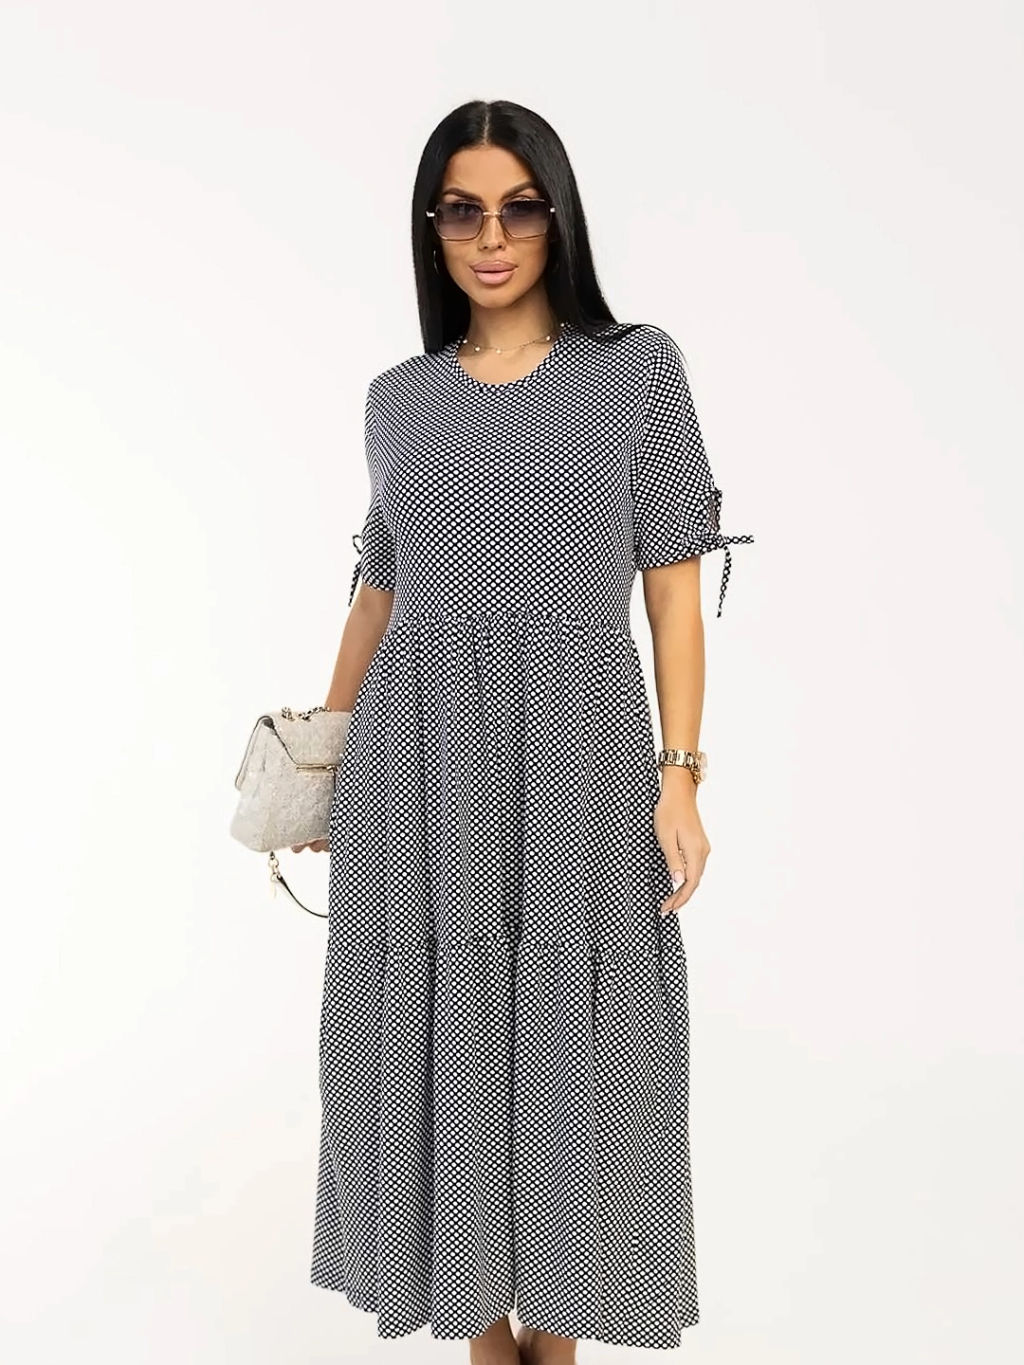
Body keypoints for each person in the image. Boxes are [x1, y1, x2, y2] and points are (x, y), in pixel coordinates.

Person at [299, 99, 754, 1364]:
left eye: (517, 209)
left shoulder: (635, 369)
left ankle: (556, 1328)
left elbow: (672, 586)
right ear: (430, 227)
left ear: (556, 218)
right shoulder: (398, 398)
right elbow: (379, 593)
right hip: (415, 759)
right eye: (462, 211)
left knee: (574, 1038)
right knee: (438, 1027)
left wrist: (679, 774)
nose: (490, 238)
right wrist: (319, 769)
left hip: (575, 747)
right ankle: (483, 1333)